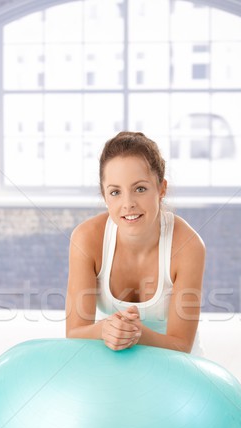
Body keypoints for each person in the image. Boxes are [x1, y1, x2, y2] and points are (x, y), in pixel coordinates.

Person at [66, 131, 205, 355]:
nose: (128, 204)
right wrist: (105, 330)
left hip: (177, 366)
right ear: (104, 196)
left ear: (161, 189)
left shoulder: (188, 245)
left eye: (140, 189)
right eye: (115, 192)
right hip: (114, 358)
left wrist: (137, 333)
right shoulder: (86, 239)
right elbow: (73, 333)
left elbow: (182, 345)